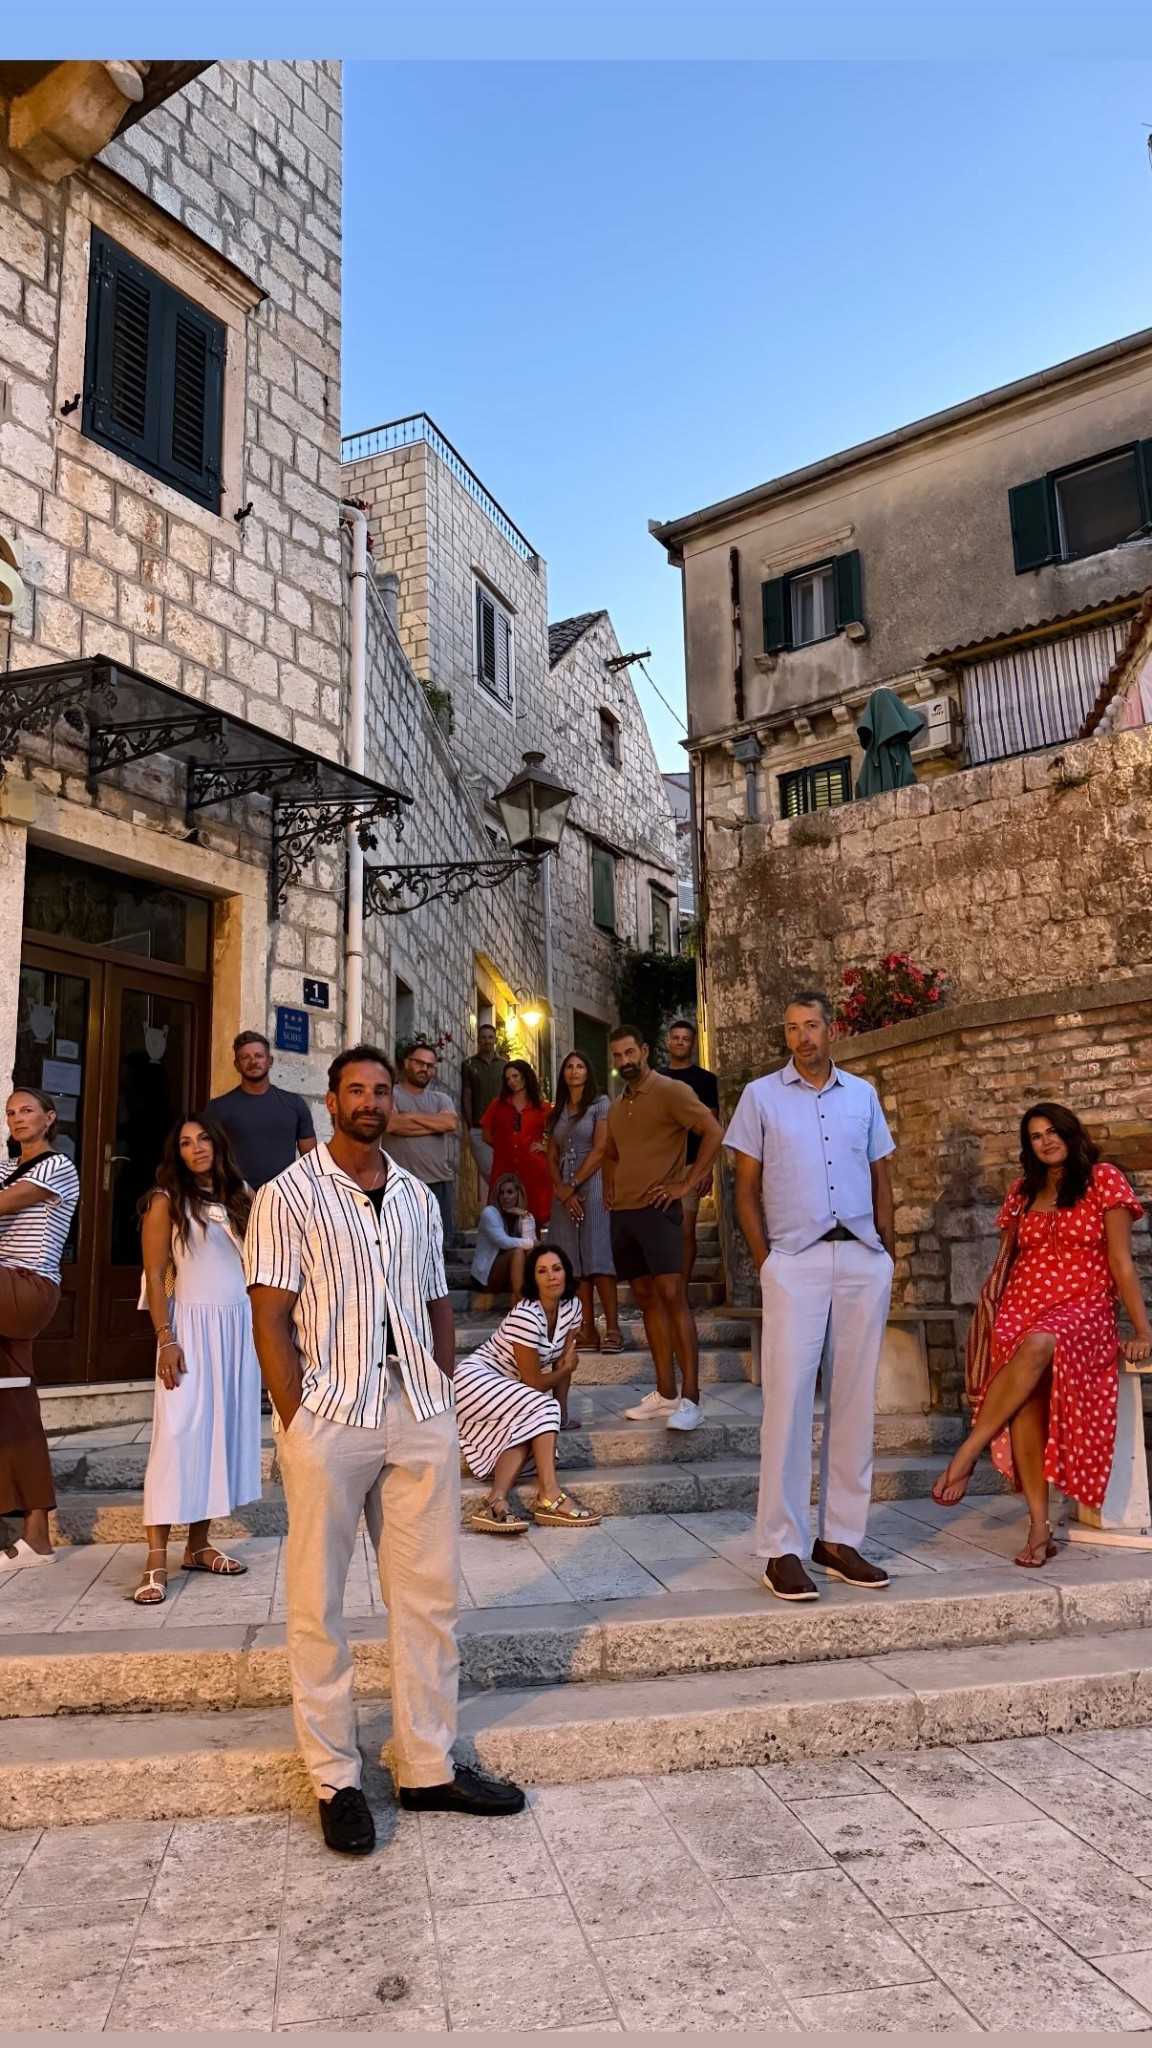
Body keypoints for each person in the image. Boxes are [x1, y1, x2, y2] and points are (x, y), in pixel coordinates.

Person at [245, 1044, 523, 1858]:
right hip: (330, 1413)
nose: (369, 1102)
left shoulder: (412, 1196)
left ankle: (427, 1767)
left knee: (428, 1595)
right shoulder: (287, 1195)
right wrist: (296, 1417)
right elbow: (269, 1317)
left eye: (380, 1091)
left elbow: (436, 1300)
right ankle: (335, 1778)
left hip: (416, 1410)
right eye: (355, 1091)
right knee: (318, 1601)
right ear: (331, 1103)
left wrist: (441, 1384)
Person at [726, 990, 896, 1603]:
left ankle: (841, 1540)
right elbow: (744, 1189)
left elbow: (881, 1179)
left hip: (861, 1257)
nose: (802, 1037)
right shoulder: (760, 1096)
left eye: (812, 1026)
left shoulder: (863, 1096)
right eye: (793, 1028)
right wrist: (767, 1262)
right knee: (789, 1401)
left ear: (831, 1030)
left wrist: (886, 1256)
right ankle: (782, 1547)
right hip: (794, 1262)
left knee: (854, 1400)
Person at [931, 1102, 1152, 1567]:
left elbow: (1120, 1261)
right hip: (1021, 1307)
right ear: (1028, 1146)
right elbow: (1008, 1261)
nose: (1046, 1141)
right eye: (1035, 1136)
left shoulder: (1103, 1180)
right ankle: (1038, 1526)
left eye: (1053, 1131)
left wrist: (1142, 1328)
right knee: (1025, 1397)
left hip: (1083, 1307)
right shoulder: (1021, 1192)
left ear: (1070, 1133)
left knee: (1038, 1343)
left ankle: (969, 1449)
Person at [133, 1113, 263, 1605]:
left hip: (238, 1330)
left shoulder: (242, 1195)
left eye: (204, 1139)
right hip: (188, 1329)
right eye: (186, 1143)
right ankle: (155, 1558)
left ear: (218, 1144)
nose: (197, 1148)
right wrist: (165, 1338)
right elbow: (155, 1274)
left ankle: (198, 1545)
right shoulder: (166, 1200)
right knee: (176, 1437)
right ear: (178, 1153)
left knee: (218, 1436)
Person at [603, 1025, 722, 1433]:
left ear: (644, 1050)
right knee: (646, 1300)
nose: (624, 1061)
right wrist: (610, 1187)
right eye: (617, 1056)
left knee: (673, 1296)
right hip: (624, 1214)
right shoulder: (616, 1107)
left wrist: (686, 1184)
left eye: (629, 1053)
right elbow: (611, 1153)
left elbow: (714, 1132)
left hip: (660, 1210)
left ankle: (691, 1398)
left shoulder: (671, 1090)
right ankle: (666, 1392)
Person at [456, 1242, 599, 1535]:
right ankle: (549, 1495)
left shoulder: (572, 1307)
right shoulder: (526, 1315)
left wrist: (562, 1414)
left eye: (556, 1269)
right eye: (542, 1271)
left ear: (566, 1272)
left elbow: (562, 1360)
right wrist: (565, 1372)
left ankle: (494, 1501)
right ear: (533, 1278)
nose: (551, 1277)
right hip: (475, 1381)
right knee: (542, 1405)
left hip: (511, 1392)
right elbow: (536, 1381)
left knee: (535, 1420)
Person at [0, 1089, 80, 1570]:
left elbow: (7, 1205)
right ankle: (36, 1537)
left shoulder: (57, 1166)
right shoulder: (3, 1168)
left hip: (27, 1288)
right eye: (10, 1112)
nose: (17, 1118)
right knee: (15, 1403)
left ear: (49, 1118)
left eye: (27, 1110)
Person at [545, 1050, 623, 1353]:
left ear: (588, 1072)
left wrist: (573, 1184)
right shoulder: (557, 1111)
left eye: (580, 1066)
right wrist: (562, 1190)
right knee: (573, 1260)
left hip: (593, 1183)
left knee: (598, 1254)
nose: (574, 1071)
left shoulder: (600, 1104)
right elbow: (551, 1154)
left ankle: (613, 1328)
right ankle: (587, 1329)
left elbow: (601, 1147)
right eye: (569, 1067)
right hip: (564, 1189)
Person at [207, 1031, 316, 1190]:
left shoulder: (294, 1104)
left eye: (259, 1056)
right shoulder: (218, 1108)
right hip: (237, 1197)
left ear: (270, 1061)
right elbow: (207, 1158)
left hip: (283, 1197)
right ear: (236, 1065)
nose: (253, 1062)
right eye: (245, 1057)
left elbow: (310, 1159)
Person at [658, 1019, 720, 1282]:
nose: (680, 1042)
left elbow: (713, 1127)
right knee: (659, 1233)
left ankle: (681, 1291)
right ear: (668, 1042)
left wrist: (706, 1169)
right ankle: (665, 1290)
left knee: (685, 1231)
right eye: (676, 1038)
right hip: (659, 1165)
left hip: (691, 1164)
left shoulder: (706, 1080)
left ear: (692, 1044)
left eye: (685, 1039)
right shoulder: (655, 1079)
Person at [382, 1040, 459, 1247]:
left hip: (438, 1182)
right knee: (401, 1246)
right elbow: (390, 1124)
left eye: (430, 1065)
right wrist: (434, 1124)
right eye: (419, 1063)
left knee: (436, 1248)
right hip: (400, 1183)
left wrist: (408, 1117)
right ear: (407, 1063)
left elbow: (450, 1123)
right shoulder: (391, 1094)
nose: (425, 1069)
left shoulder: (441, 1099)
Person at [481, 1060, 553, 1231]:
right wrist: (505, 1146)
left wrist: (545, 1147)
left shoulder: (542, 1108)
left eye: (515, 1076)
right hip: (504, 1167)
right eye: (508, 1078)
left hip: (533, 1169)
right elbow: (486, 1135)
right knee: (502, 1217)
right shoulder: (497, 1105)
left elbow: (558, 1136)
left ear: (525, 1076)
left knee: (533, 1218)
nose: (512, 1081)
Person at [471, 1173, 536, 1297]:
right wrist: (532, 1243)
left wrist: (524, 1217)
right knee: (518, 1252)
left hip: (508, 1275)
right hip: (486, 1276)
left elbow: (531, 1248)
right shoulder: (489, 1213)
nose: (505, 1197)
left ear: (518, 1194)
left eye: (510, 1192)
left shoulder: (525, 1216)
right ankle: (521, 1299)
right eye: (501, 1193)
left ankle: (534, 1293)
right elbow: (504, 1242)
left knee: (531, 1251)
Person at [461, 1023, 504, 1190]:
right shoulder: (469, 1065)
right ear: (478, 1040)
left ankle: (501, 1204)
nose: (487, 1041)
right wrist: (470, 1125)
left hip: (502, 1129)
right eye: (484, 1038)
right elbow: (467, 1094)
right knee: (490, 1172)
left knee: (505, 1172)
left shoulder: (505, 1066)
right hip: (479, 1129)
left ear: (495, 1040)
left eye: (490, 1037)